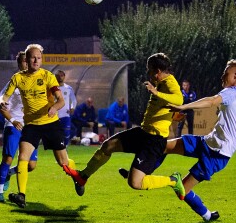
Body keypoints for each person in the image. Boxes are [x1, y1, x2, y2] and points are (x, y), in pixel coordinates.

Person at [162, 59, 236, 222]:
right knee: (164, 146)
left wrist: (184, 107)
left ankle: (207, 215)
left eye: (226, 72)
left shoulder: (231, 93)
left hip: (217, 155)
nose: (222, 76)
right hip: (207, 142)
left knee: (182, 190)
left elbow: (210, 101)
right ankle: (141, 172)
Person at [66, 53, 183, 197]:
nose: (148, 73)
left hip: (154, 141)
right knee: (108, 146)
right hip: (143, 133)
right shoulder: (161, 82)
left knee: (135, 183)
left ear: (157, 71)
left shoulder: (170, 83)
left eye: (150, 70)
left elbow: (179, 99)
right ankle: (83, 177)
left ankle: (173, 180)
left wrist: (156, 92)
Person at [0, 44, 78, 208]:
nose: (35, 60)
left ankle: (78, 177)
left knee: (63, 162)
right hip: (31, 125)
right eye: (32, 57)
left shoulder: (48, 76)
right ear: (26, 59)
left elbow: (60, 100)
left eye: (39, 57)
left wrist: (54, 107)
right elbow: (4, 97)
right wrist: (1, 103)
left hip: (50, 124)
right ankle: (21, 195)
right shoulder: (18, 78)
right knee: (22, 158)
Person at [0, 51, 38, 202]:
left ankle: (9, 174)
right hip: (14, 125)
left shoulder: (39, 81)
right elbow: (1, 104)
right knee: (8, 158)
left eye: (29, 60)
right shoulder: (14, 83)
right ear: (19, 64)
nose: (28, 64)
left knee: (31, 166)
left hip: (31, 127)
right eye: (24, 61)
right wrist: (12, 120)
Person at [55, 70, 77, 145]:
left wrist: (72, 107)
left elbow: (73, 100)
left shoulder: (68, 88)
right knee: (56, 134)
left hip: (65, 115)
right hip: (55, 115)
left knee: (66, 133)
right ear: (55, 77)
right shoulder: (52, 88)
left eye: (61, 75)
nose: (60, 77)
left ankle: (65, 147)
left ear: (64, 77)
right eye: (58, 76)